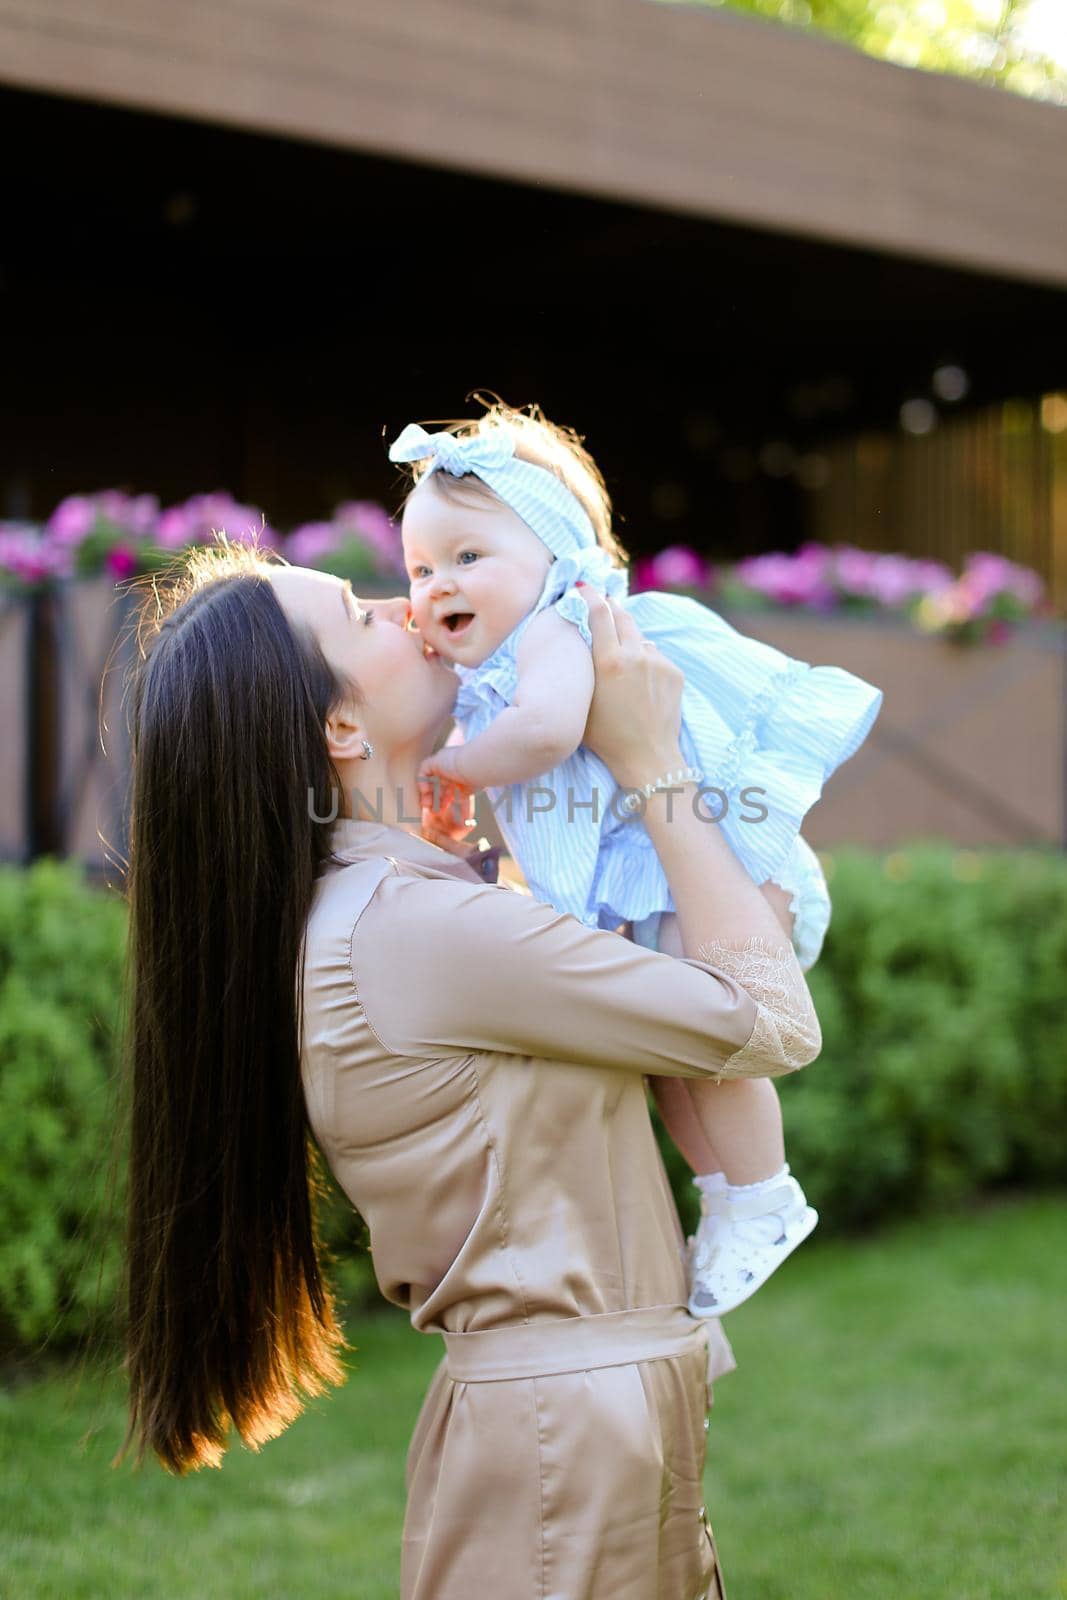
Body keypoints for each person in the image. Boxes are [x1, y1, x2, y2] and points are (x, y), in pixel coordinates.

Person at [116, 535, 821, 1598]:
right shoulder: (409, 927)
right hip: (563, 1448)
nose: (410, 607)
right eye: (360, 615)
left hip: (586, 1428)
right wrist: (652, 762)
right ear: (339, 727)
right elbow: (766, 1019)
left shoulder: (403, 900)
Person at [388, 402, 882, 1315]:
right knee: (674, 1057)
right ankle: (731, 1199)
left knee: (715, 1042)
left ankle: (765, 1191)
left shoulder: (559, 625)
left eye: (466, 558)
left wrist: (445, 764)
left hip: (703, 869)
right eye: (420, 568)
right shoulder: (493, 672)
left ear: (556, 554)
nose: (435, 585)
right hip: (650, 874)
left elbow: (544, 736)